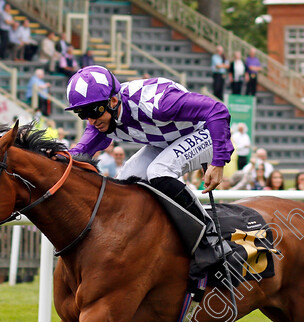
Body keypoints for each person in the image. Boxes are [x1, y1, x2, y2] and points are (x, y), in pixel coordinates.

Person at [66, 65, 233, 280]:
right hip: (165, 141)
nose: (90, 121)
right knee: (124, 181)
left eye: (93, 112)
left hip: (207, 131)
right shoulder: (102, 116)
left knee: (159, 171)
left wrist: (218, 162)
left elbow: (218, 111)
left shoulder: (159, 104)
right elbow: (76, 153)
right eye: (82, 114)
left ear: (113, 101)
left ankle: (210, 241)